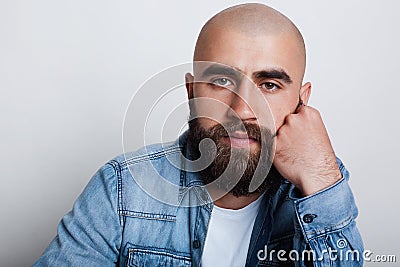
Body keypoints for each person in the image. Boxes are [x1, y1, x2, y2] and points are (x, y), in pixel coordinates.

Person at [33, 3, 363, 266]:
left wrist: (321, 178)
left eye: (269, 85)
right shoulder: (121, 190)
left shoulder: (320, 188)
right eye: (221, 81)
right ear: (192, 93)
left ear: (301, 101)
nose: (242, 109)